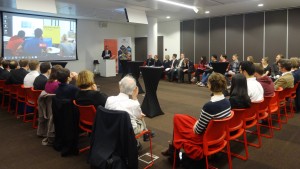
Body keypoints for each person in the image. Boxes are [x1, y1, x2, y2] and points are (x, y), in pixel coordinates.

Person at [162, 73, 231, 159]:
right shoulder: (228, 102)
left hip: (204, 137)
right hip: (217, 134)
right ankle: (172, 148)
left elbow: (197, 131)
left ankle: (173, 151)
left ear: (210, 86)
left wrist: (196, 124)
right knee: (178, 117)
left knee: (177, 121)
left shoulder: (209, 106)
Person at [105, 75, 153, 140]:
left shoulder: (109, 99)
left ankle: (144, 135)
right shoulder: (134, 104)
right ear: (134, 90)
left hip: (111, 127)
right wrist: (135, 97)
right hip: (128, 131)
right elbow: (139, 116)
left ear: (119, 86)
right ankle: (144, 135)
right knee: (141, 116)